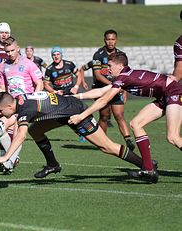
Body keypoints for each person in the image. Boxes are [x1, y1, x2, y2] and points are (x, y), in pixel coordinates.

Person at [0, 92, 157, 182]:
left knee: (107, 147)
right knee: (36, 131)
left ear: (9, 106)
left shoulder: (25, 110)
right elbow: (6, 115)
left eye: (0, 111)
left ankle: (146, 165)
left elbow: (20, 135)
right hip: (63, 113)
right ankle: (53, 165)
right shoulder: (19, 100)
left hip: (77, 113)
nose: (0, 114)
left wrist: (6, 157)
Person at [69, 52, 182, 183]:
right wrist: (75, 97)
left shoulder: (123, 77)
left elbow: (104, 100)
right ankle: (148, 169)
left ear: (120, 65)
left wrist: (81, 116)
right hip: (165, 96)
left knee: (173, 137)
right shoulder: (125, 76)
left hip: (173, 93)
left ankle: (148, 168)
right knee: (136, 123)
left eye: (110, 65)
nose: (108, 69)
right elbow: (100, 92)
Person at [0, 36, 44, 173]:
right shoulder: (4, 67)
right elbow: (3, 89)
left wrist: (33, 100)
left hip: (25, 107)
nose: (9, 54)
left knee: (18, 135)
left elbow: (40, 83)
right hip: (10, 106)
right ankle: (12, 159)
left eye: (12, 51)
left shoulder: (28, 64)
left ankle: (8, 163)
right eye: (7, 51)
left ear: (18, 49)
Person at [91, 29, 134, 150]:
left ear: (116, 40)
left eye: (113, 39)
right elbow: (98, 75)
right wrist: (113, 85)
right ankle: (102, 142)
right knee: (104, 116)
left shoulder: (121, 55)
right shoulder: (98, 55)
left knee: (119, 115)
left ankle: (128, 141)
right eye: (108, 39)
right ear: (104, 40)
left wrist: (124, 90)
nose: (110, 42)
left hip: (117, 89)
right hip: (102, 89)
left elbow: (126, 75)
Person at [44, 46, 87, 142]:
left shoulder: (69, 64)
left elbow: (79, 74)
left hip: (72, 94)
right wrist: (54, 92)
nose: (56, 56)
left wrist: (76, 86)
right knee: (66, 117)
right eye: (54, 55)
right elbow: (46, 84)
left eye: (58, 54)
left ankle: (85, 131)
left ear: (61, 55)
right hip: (60, 97)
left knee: (79, 112)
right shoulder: (50, 69)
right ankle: (80, 132)